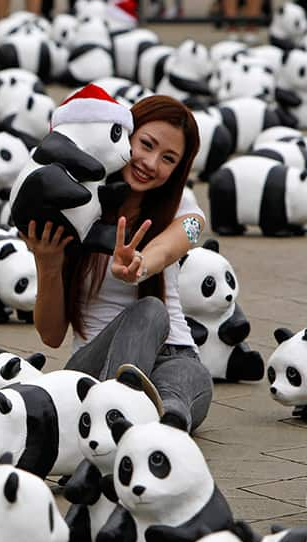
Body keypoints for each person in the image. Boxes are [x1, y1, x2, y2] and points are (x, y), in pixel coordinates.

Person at [22, 95, 213, 433]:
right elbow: (51, 336)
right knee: (151, 309)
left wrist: (142, 262)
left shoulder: (180, 205)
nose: (152, 163)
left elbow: (191, 229)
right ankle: (121, 414)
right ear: (123, 135)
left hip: (174, 356)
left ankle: (162, 422)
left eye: (168, 158)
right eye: (146, 144)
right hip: (93, 370)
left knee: (188, 378)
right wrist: (47, 263)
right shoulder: (75, 206)